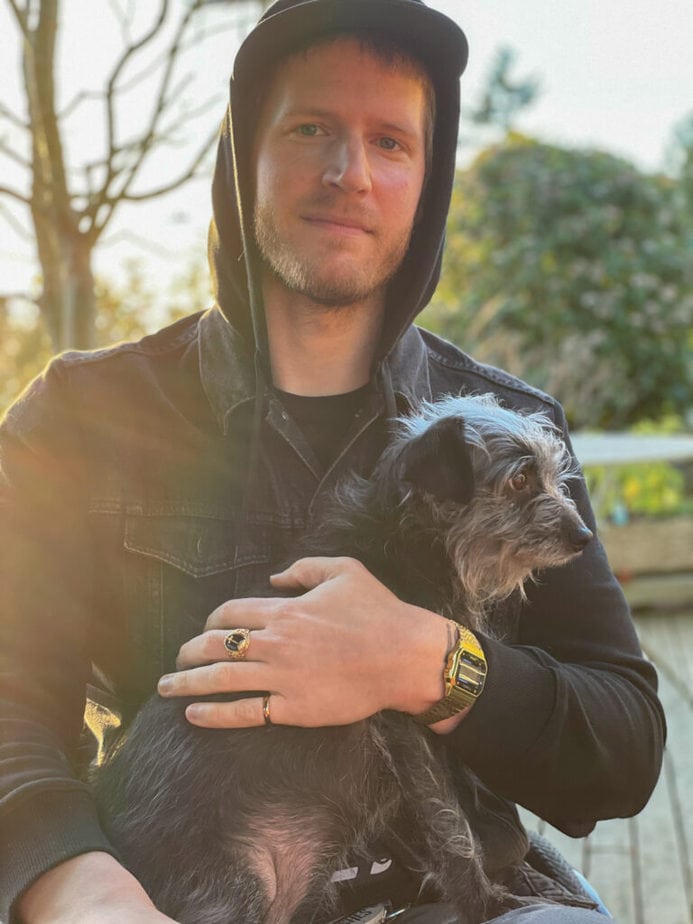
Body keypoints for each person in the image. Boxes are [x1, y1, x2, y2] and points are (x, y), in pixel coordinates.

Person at [0, 0, 665, 922]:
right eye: (311, 126)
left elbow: (623, 748)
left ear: (426, 181)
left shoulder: (514, 434)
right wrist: (74, 884)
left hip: (469, 900)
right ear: (243, 157)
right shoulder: (81, 419)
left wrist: (432, 664)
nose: (349, 171)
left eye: (391, 140)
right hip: (183, 895)